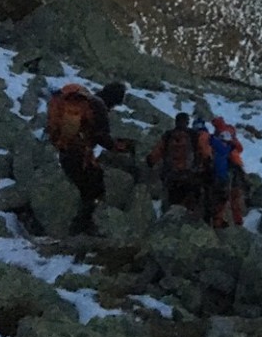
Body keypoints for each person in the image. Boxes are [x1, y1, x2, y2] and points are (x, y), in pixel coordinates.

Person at [46, 81, 130, 235]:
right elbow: (101, 137)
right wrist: (119, 147)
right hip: (80, 155)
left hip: (65, 151)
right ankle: (81, 229)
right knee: (95, 188)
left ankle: (79, 225)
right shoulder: (99, 107)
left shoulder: (86, 101)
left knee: (84, 187)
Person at [146, 112, 211, 215]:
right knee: (191, 205)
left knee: (172, 204)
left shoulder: (168, 135)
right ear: (187, 122)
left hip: (171, 175)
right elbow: (204, 152)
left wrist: (150, 161)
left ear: (176, 122)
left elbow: (156, 153)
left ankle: (167, 223)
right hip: (190, 175)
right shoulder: (193, 135)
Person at [209, 117, 248, 227]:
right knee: (234, 195)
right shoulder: (230, 131)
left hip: (227, 167)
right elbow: (238, 148)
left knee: (224, 195)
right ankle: (238, 220)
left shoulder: (220, 134)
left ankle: (220, 219)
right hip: (236, 165)